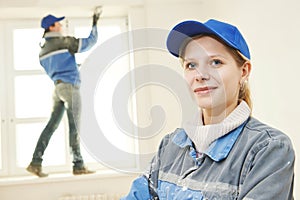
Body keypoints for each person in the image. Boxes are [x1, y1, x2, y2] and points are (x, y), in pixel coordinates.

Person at [121, 19, 295, 199]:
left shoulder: (268, 149)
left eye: (216, 62)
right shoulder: (169, 146)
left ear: (244, 71)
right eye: (191, 65)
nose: (200, 75)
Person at [26, 10, 101, 177]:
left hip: (57, 89)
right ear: (51, 27)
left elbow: (57, 67)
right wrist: (95, 23)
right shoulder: (63, 42)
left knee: (51, 126)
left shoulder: (42, 51)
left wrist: (73, 67)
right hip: (70, 89)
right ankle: (78, 165)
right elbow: (90, 42)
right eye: (58, 23)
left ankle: (35, 162)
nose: (60, 26)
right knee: (75, 126)